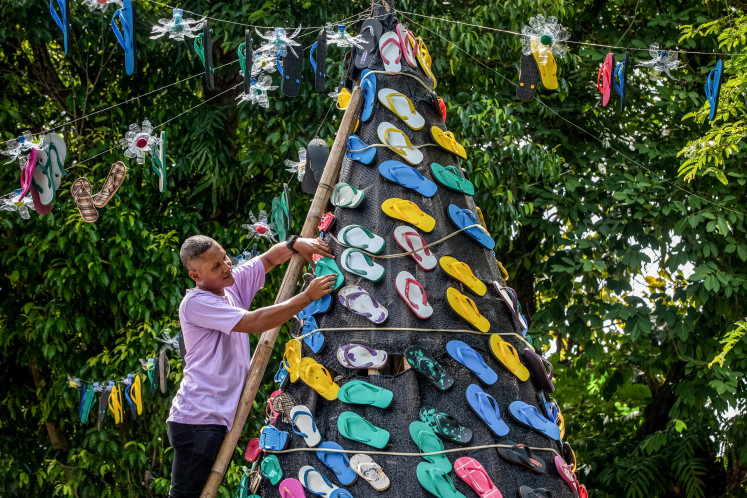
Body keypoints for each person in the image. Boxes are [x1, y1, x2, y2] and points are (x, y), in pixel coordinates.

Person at [166, 234, 336, 498]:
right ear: (195, 276)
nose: (225, 266)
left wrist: (294, 244)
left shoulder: (229, 287)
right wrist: (307, 297)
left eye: (224, 256)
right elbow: (257, 322)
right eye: (215, 266)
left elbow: (268, 259)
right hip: (197, 420)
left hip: (214, 420)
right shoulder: (197, 303)